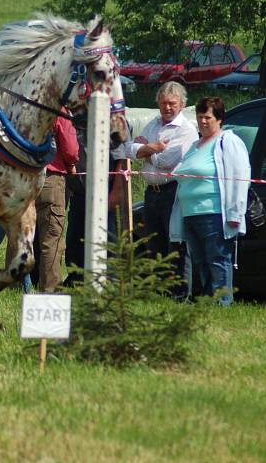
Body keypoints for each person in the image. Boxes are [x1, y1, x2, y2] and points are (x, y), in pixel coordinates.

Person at [0, 107, 78, 292]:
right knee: (51, 237)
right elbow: (70, 148)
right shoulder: (59, 109)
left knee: (18, 232)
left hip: (22, 177)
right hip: (51, 178)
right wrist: (72, 164)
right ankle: (49, 288)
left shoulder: (21, 105)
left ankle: (15, 284)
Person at [170, 97, 250, 305]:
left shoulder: (227, 141)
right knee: (200, 261)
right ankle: (208, 301)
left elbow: (239, 179)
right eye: (200, 117)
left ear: (219, 119)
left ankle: (223, 302)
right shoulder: (195, 145)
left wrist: (235, 214)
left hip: (214, 213)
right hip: (190, 213)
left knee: (218, 260)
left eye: (208, 117)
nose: (203, 121)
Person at [125, 81, 197, 286]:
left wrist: (146, 149)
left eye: (172, 103)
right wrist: (154, 148)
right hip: (151, 192)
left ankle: (178, 290)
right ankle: (158, 287)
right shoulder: (154, 123)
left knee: (175, 242)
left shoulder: (186, 129)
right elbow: (130, 149)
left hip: (172, 191)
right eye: (163, 103)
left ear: (182, 104)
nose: (167, 107)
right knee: (153, 240)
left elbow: (167, 162)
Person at [64, 120, 128, 286]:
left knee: (107, 236)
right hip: (79, 190)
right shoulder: (73, 116)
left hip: (105, 190)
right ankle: (76, 280)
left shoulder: (112, 117)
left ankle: (110, 281)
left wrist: (117, 190)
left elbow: (121, 158)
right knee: (74, 239)